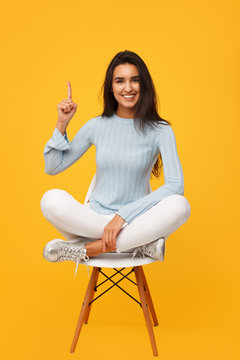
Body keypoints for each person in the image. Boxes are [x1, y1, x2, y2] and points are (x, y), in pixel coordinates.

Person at [40, 50, 191, 277]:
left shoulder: (161, 131)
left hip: (135, 224)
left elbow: (175, 186)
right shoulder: (96, 126)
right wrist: (62, 124)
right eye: (120, 81)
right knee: (50, 199)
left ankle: (89, 250)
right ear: (111, 87)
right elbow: (53, 167)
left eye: (135, 80)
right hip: (96, 222)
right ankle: (136, 246)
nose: (127, 88)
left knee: (181, 205)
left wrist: (123, 216)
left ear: (144, 85)